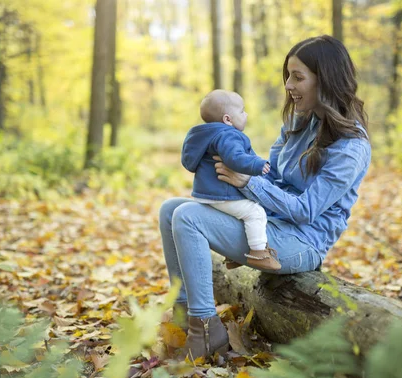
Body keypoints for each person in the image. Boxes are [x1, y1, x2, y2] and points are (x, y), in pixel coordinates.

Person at [159, 35, 372, 361]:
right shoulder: (298, 122)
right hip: (268, 223)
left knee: (189, 217)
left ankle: (204, 328)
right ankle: (183, 312)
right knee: (170, 209)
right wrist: (238, 182)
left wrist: (248, 183)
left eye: (298, 77)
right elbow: (270, 174)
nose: (288, 85)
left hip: (302, 243)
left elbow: (306, 210)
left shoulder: (351, 146)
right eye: (288, 75)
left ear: (326, 79)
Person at [181, 89, 281, 271]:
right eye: (242, 111)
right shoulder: (228, 134)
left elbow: (188, 163)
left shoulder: (201, 135)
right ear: (228, 119)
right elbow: (234, 157)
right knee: (255, 212)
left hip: (205, 193)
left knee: (234, 217)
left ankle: (232, 255)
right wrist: (256, 164)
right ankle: (259, 253)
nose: (246, 114)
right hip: (222, 193)